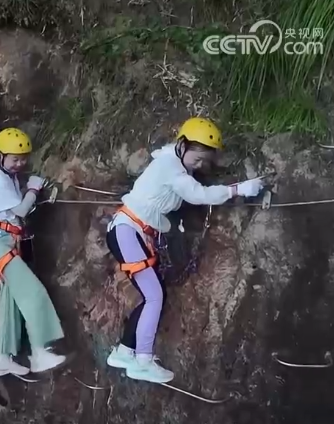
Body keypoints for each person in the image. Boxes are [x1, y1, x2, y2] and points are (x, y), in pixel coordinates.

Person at [104, 117, 263, 383]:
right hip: (127, 231)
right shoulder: (170, 167)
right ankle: (143, 361)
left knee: (153, 295)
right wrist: (239, 190)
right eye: (197, 158)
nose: (199, 165)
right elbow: (199, 195)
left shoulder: (173, 165)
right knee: (154, 296)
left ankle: (124, 352)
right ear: (183, 145)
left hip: (130, 233)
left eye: (204, 162)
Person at [0, 127, 67, 376]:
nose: (20, 163)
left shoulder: (7, 175)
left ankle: (2, 359)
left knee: (10, 299)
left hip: (5, 243)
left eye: (23, 158)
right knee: (33, 292)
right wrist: (34, 190)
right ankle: (39, 353)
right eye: (15, 159)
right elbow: (20, 210)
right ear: (1, 155)